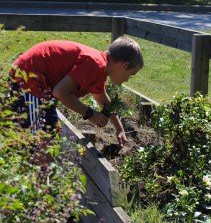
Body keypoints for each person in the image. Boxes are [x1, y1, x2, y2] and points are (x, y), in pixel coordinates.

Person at [8, 36, 144, 147]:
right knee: (44, 142)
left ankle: (38, 175)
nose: (127, 80)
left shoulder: (99, 65)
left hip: (33, 85)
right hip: (27, 83)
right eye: (131, 74)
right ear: (123, 65)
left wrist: (119, 128)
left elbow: (101, 97)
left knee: (44, 139)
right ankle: (39, 178)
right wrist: (90, 113)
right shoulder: (96, 65)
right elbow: (60, 92)